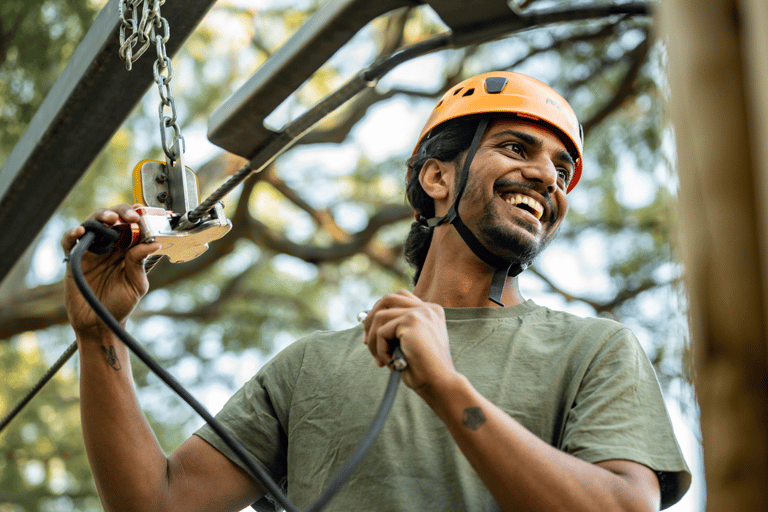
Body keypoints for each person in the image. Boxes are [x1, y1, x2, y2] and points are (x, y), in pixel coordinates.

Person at [62, 71, 690, 512]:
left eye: (560, 170)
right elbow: (158, 503)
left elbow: (624, 506)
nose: (546, 179)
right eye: (515, 147)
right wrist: (98, 337)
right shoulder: (312, 365)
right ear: (436, 176)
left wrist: (445, 387)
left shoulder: (595, 351)